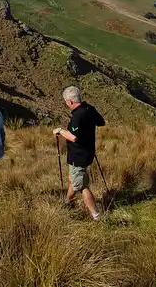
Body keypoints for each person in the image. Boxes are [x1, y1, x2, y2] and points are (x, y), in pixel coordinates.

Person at [53, 86, 106, 221]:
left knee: (82, 186)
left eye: (66, 102)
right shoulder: (89, 109)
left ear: (70, 101)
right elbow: (101, 122)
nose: (66, 104)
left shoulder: (77, 115)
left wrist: (60, 130)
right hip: (88, 152)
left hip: (79, 155)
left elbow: (73, 137)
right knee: (73, 179)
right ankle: (68, 202)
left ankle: (96, 216)